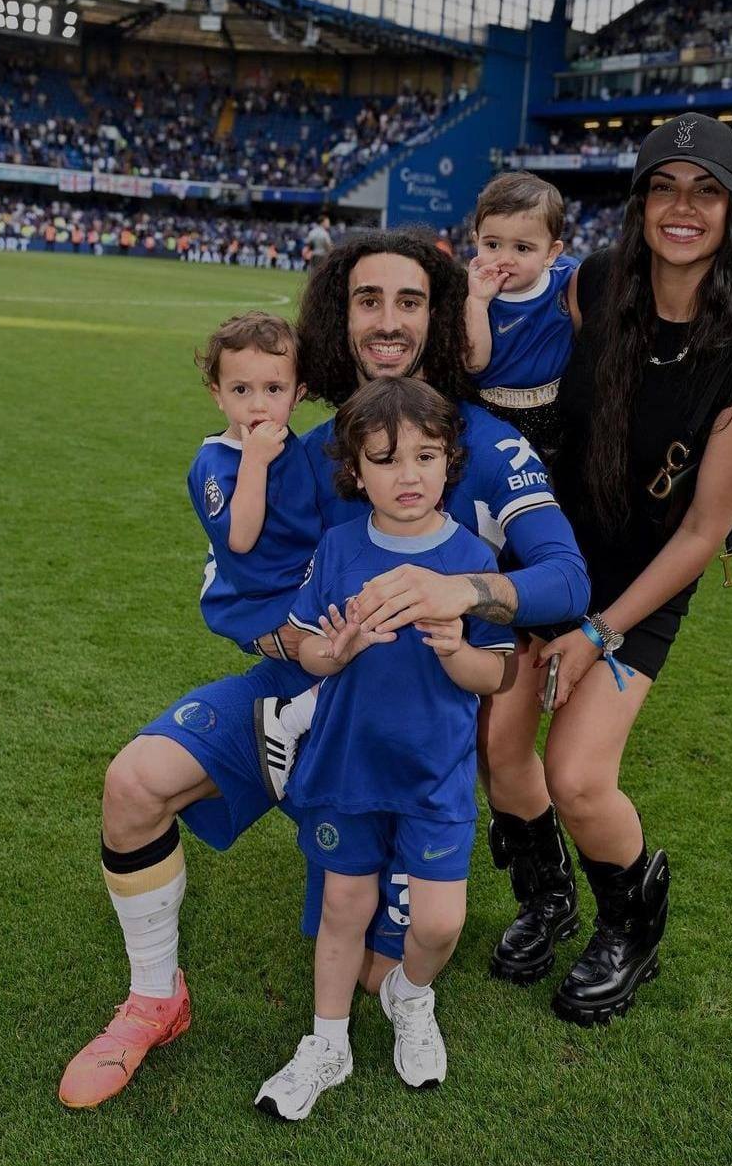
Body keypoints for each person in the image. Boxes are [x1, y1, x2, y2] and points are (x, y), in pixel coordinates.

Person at [58, 229, 588, 1109]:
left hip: (410, 718)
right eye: (367, 300)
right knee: (133, 783)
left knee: (385, 966)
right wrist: (293, 642)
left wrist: (457, 589)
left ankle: (387, 969)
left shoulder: (482, 445)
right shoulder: (310, 451)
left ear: (443, 315)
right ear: (338, 321)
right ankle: (156, 997)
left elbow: (564, 577)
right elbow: (239, 595)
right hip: (307, 691)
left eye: (410, 300)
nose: (387, 320)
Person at [482, 113, 732, 1025]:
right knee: (499, 749)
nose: (682, 207)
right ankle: (547, 897)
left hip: (641, 582)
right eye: (665, 187)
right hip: (546, 552)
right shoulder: (595, 285)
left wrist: (598, 633)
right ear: (640, 203)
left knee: (578, 775)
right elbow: (512, 345)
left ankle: (631, 928)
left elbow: (703, 532)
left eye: (705, 191)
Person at [255, 378, 512, 1121]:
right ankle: (327, 1041)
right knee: (344, 903)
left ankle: (410, 992)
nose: (409, 475)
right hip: (347, 765)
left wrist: (457, 647)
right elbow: (307, 646)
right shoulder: (338, 548)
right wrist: (331, 652)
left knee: (437, 924)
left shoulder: (471, 561)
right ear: (355, 472)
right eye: (386, 459)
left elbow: (495, 670)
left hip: (435, 771)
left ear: (449, 461)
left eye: (426, 456)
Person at [188, 312, 322, 662]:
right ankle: (291, 715)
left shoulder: (287, 442)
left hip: (306, 576)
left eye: (274, 389)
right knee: (327, 652)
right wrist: (254, 461)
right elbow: (240, 537)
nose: (258, 404)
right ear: (218, 395)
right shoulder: (215, 462)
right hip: (262, 597)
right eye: (241, 390)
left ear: (297, 395)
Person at [464, 171, 578, 457]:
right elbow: (475, 363)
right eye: (492, 245)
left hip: (555, 405)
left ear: (551, 253)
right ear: (475, 240)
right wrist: (477, 303)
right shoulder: (472, 295)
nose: (505, 258)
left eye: (522, 248)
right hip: (494, 409)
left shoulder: (569, 277)